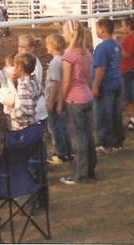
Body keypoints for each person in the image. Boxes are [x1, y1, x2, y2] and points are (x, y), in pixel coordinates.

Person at [57, 19, 96, 185]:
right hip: (86, 96)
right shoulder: (86, 52)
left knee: (78, 139)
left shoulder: (69, 54)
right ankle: (89, 170)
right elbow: (87, 78)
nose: (62, 34)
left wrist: (60, 102)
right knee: (88, 136)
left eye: (64, 31)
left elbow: (66, 81)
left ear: (71, 34)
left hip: (75, 99)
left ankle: (79, 175)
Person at [92, 18, 124, 156]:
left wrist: (95, 86)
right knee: (116, 114)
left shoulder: (102, 47)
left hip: (106, 85)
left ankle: (105, 144)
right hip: (117, 81)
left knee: (103, 115)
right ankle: (117, 142)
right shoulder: (116, 45)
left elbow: (100, 68)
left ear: (102, 30)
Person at [44, 33, 73, 164]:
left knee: (55, 127)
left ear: (54, 46)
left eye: (48, 44)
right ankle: (68, 151)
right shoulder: (63, 59)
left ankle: (60, 153)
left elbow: (56, 82)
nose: (46, 47)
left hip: (55, 99)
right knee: (62, 126)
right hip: (61, 98)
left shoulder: (55, 62)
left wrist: (50, 101)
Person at [7, 53, 42, 131]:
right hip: (34, 122)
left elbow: (27, 110)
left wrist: (11, 112)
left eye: (15, 66)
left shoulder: (24, 87)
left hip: (23, 127)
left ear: (20, 68)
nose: (14, 69)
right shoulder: (35, 81)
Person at [18, 34, 47, 123]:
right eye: (19, 46)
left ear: (32, 49)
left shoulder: (34, 66)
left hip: (32, 108)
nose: (20, 49)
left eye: (23, 47)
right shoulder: (26, 62)